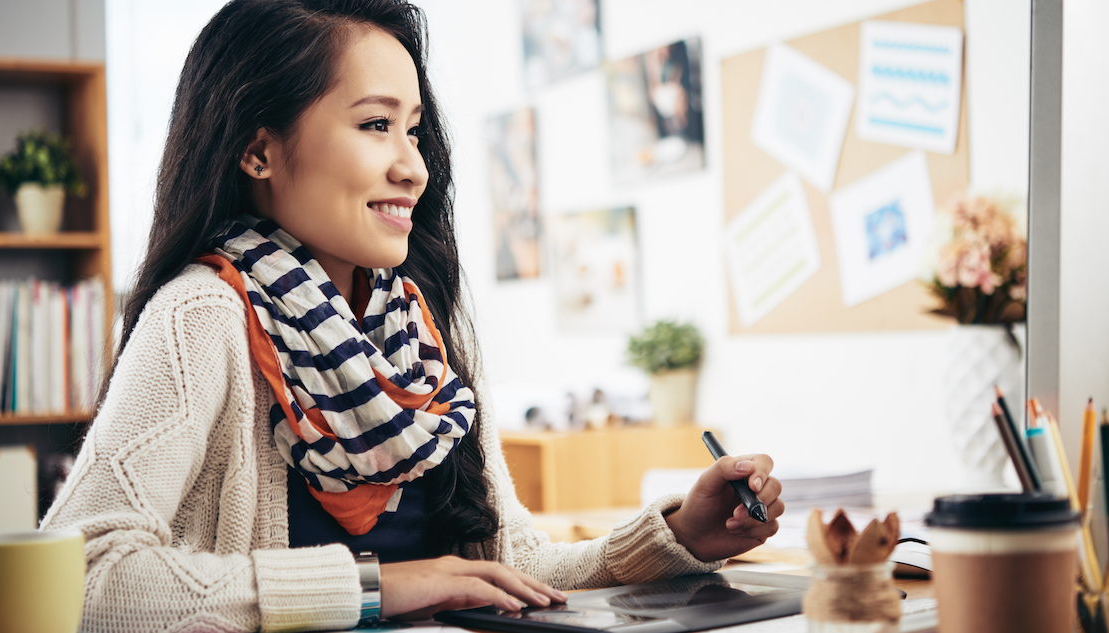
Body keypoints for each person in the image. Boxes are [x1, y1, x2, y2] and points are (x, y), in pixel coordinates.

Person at [41, 1, 785, 631]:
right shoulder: (203, 313)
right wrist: (378, 585)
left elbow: (507, 565)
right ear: (258, 149)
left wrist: (680, 533)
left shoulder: (425, 325)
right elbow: (79, 579)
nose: (413, 166)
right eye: (374, 125)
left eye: (415, 129)